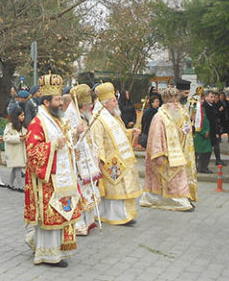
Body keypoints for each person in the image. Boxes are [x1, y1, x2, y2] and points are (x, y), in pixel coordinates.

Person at [24, 74, 80, 267]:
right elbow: (32, 152)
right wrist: (54, 145)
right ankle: (48, 254)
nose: (61, 103)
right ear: (46, 102)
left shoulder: (58, 120)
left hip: (62, 177)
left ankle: (56, 249)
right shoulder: (38, 123)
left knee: (62, 213)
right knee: (50, 216)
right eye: (57, 100)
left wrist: (75, 135)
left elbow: (67, 143)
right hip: (47, 179)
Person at [92, 82, 142, 225]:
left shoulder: (114, 115)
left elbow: (121, 133)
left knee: (124, 188)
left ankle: (126, 214)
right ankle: (116, 216)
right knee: (115, 189)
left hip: (121, 158)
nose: (116, 103)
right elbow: (97, 141)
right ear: (105, 103)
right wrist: (100, 161)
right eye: (113, 100)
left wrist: (132, 132)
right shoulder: (98, 119)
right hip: (110, 161)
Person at [141, 87, 197, 211]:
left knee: (177, 176)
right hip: (163, 155)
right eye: (173, 102)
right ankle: (174, 201)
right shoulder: (159, 117)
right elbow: (156, 137)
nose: (176, 105)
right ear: (167, 103)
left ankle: (181, 200)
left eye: (176, 102)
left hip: (174, 154)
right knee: (165, 179)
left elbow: (173, 133)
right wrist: (159, 154)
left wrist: (183, 131)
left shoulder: (170, 116)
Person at [64, 84, 101, 235]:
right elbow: (66, 136)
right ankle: (79, 223)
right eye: (88, 105)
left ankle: (89, 220)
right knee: (79, 192)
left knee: (89, 190)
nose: (90, 107)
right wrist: (75, 132)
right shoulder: (69, 116)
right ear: (81, 105)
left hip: (88, 160)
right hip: (77, 162)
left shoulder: (85, 116)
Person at [3, 105, 28, 192]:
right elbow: (5, 137)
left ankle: (10, 183)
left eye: (23, 115)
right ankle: (20, 186)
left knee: (16, 167)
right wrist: (18, 138)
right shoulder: (10, 126)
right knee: (18, 167)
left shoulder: (22, 126)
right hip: (13, 150)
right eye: (21, 115)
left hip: (20, 150)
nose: (23, 117)